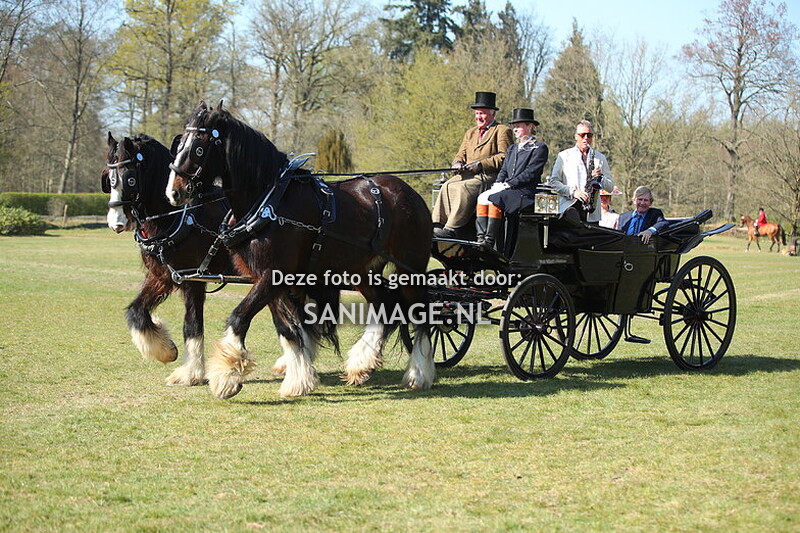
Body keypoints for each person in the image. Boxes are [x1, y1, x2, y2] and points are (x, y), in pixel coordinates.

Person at [433, 91, 514, 238]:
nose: (478, 117)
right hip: (467, 175)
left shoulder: (501, 131)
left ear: (493, 114)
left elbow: (505, 157)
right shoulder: (470, 133)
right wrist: (457, 162)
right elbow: (461, 153)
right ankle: (437, 224)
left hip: (488, 176)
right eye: (477, 113)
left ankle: (452, 228)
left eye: (482, 113)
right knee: (447, 186)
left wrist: (481, 165)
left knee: (463, 188)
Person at [475, 107, 548, 248]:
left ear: (529, 126)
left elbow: (530, 173)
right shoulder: (513, 148)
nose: (514, 130)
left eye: (518, 126)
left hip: (526, 191)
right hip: (509, 189)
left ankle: (489, 241)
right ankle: (481, 238)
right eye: (514, 126)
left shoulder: (539, 148)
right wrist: (498, 183)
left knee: (495, 198)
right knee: (482, 197)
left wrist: (509, 184)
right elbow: (504, 170)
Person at [549, 120, 614, 223]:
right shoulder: (564, 156)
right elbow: (553, 182)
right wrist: (572, 192)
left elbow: (610, 187)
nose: (586, 138)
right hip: (568, 210)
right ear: (576, 136)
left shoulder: (600, 158)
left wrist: (600, 178)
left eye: (589, 135)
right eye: (582, 135)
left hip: (591, 214)